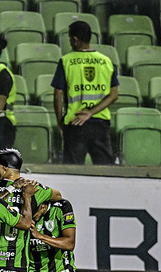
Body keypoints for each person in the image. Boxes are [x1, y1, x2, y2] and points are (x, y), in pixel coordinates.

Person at [51, 20, 119, 165]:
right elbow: (114, 94)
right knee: (106, 171)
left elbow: (58, 94)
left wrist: (59, 122)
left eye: (70, 39)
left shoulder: (66, 61)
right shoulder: (106, 61)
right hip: (100, 123)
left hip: (75, 124)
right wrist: (91, 112)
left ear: (75, 40)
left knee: (73, 172)